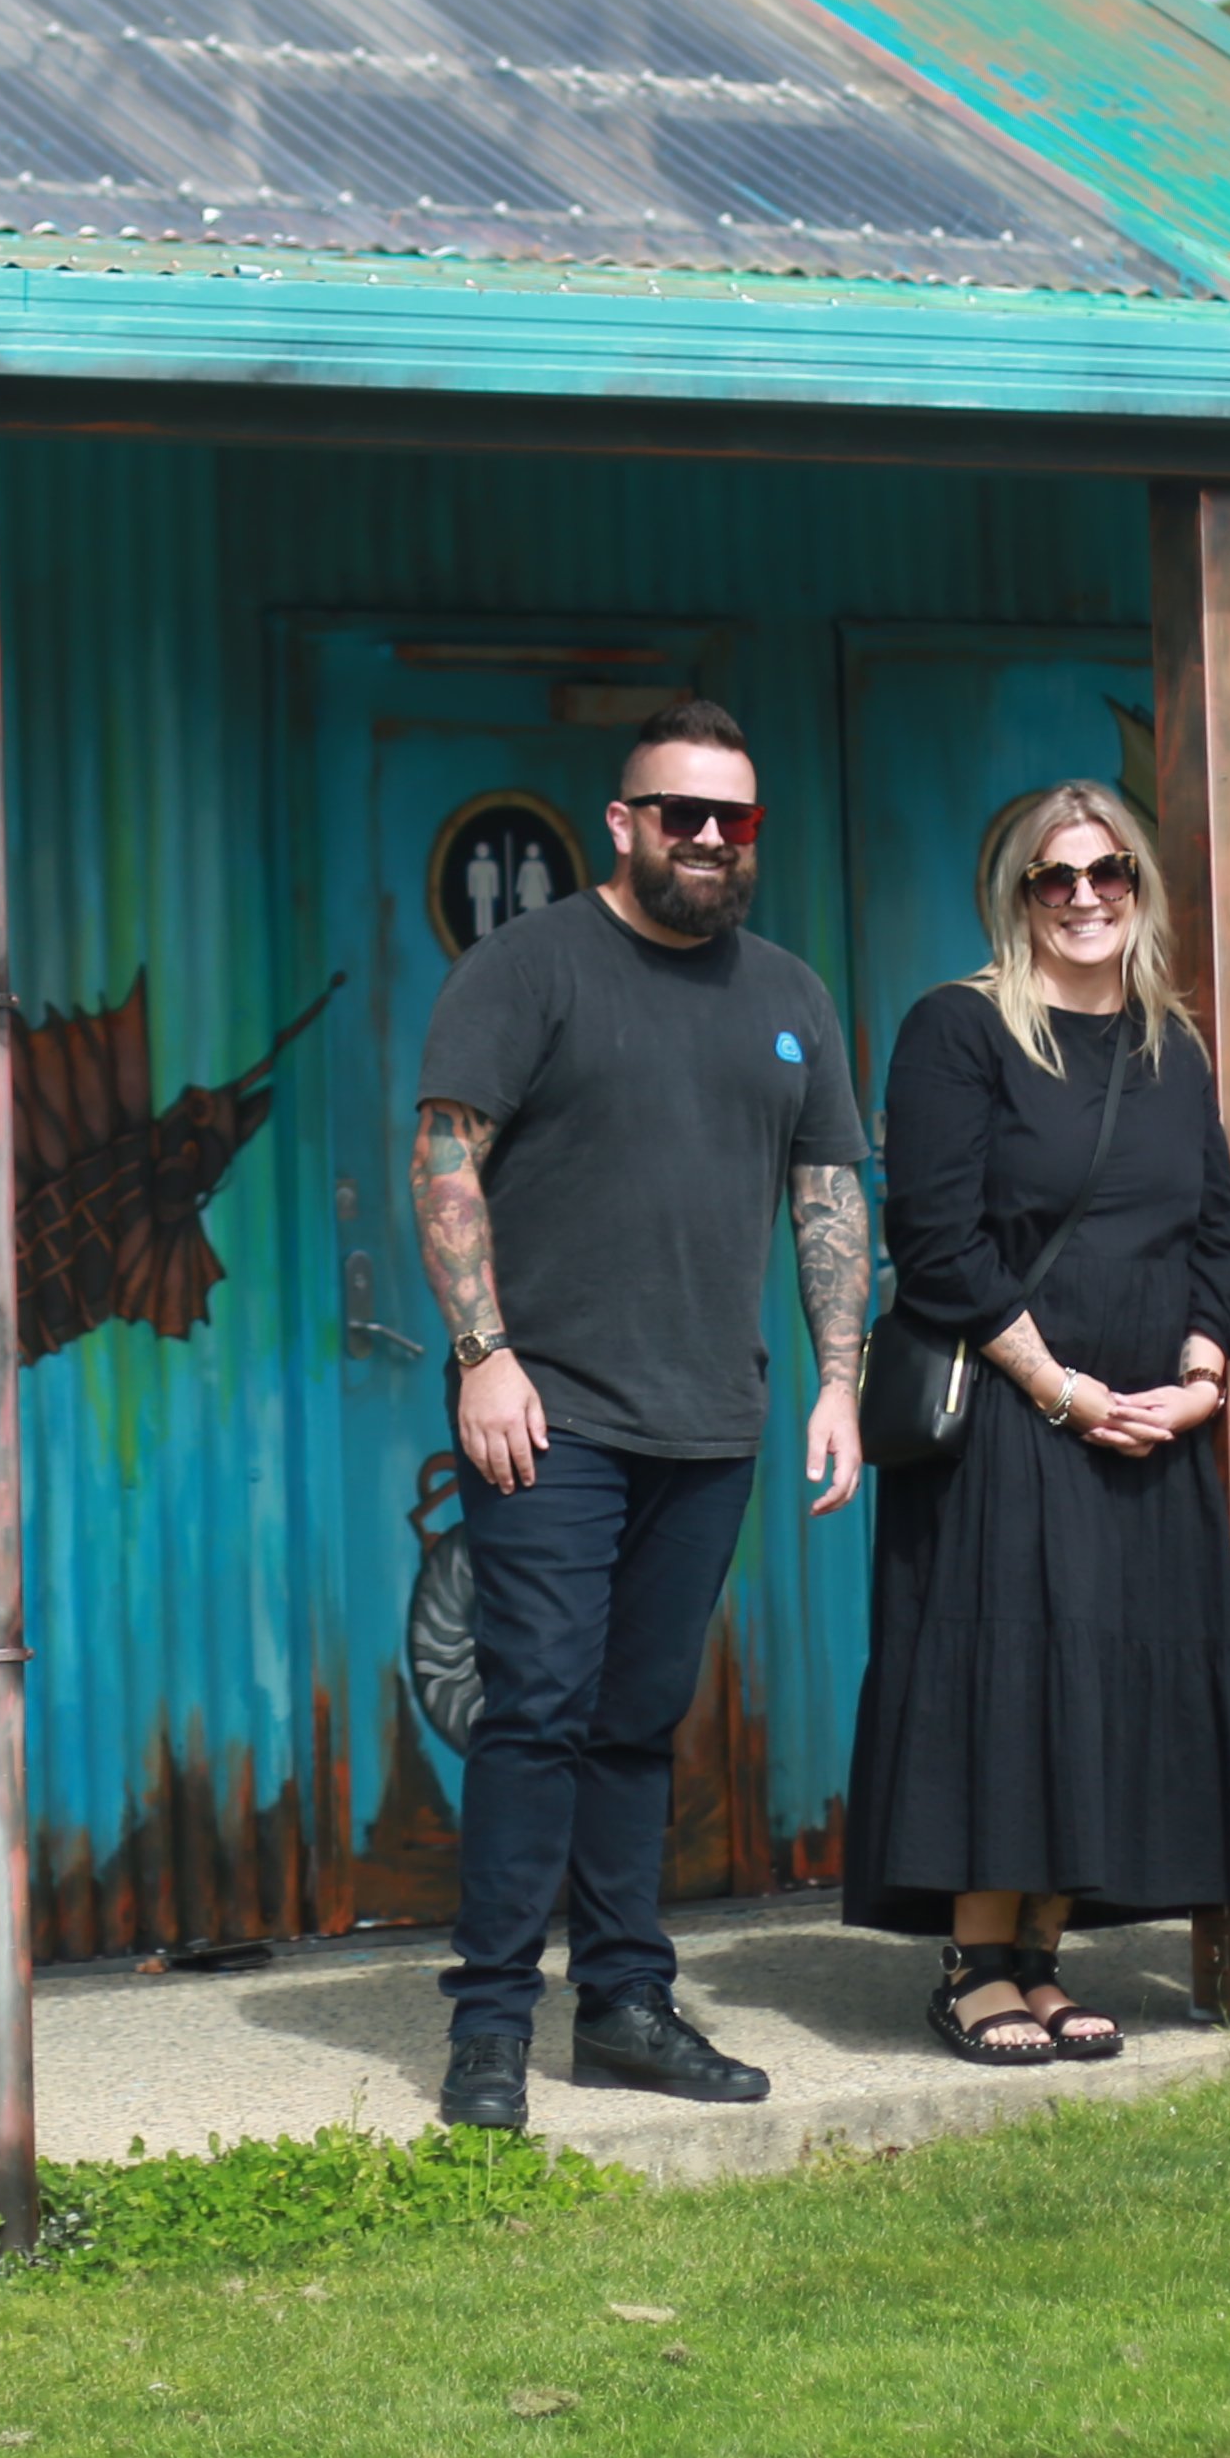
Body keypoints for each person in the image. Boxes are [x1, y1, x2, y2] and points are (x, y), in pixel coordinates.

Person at [412, 697, 872, 2128]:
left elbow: (829, 1195)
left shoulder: (789, 995)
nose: (714, 842)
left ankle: (622, 2001)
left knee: (636, 1719)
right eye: (685, 815)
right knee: (536, 1708)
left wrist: (840, 1381)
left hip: (710, 1418)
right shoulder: (529, 967)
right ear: (623, 822)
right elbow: (446, 1154)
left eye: (738, 820)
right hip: (547, 1415)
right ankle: (491, 2024)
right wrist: (485, 1355)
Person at [830, 780, 1230, 2067]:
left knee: (1107, 1679)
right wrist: (1061, 1387)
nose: (1085, 897)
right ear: (1013, 895)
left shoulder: (1169, 1044)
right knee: (1008, 1675)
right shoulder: (957, 1031)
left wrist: (1199, 1372)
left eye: (1110, 874)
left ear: (1142, 889)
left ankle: (1044, 1959)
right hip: (1015, 1414)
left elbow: (1216, 1225)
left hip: (1151, 1421)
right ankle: (974, 1964)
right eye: (1053, 877)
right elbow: (939, 1242)